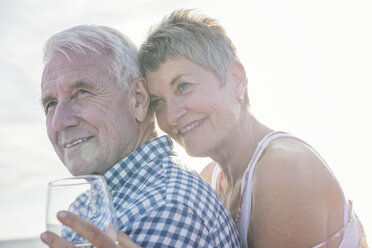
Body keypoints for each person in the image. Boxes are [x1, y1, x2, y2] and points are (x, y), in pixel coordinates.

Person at [137, 9, 367, 248]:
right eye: (158, 102)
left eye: (183, 86)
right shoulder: (210, 178)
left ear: (236, 80)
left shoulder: (284, 168)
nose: (172, 116)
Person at [39, 24, 240, 247]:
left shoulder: (166, 208)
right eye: (50, 104)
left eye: (81, 93)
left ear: (138, 99)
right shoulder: (89, 203)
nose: (59, 121)